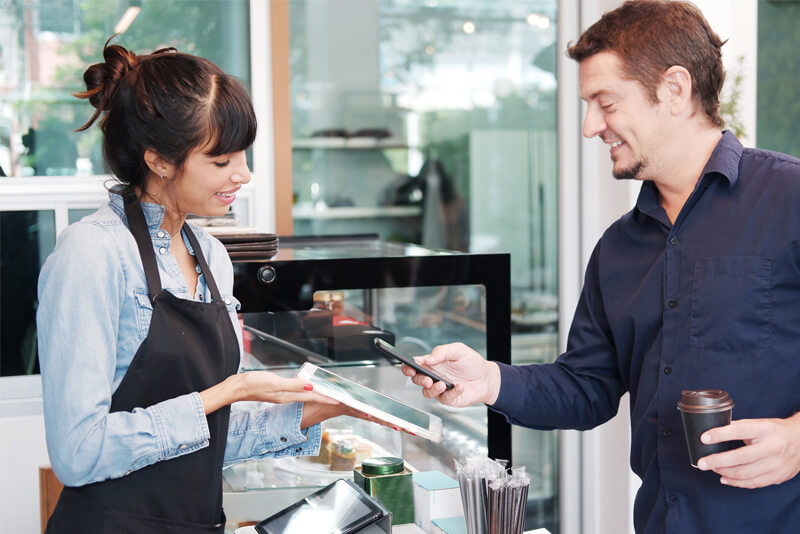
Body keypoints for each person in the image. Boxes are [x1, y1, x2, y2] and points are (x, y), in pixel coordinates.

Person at [403, 1, 800, 533]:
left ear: (675, 90)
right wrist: (490, 382)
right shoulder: (618, 247)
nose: (591, 126)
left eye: (606, 103)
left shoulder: (789, 198)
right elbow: (587, 387)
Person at [36, 40, 377, 533]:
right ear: (159, 161)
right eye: (221, 161)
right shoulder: (92, 254)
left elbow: (204, 437)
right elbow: (78, 453)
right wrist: (227, 391)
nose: (243, 174)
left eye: (243, 155)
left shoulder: (211, 256)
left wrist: (316, 410)